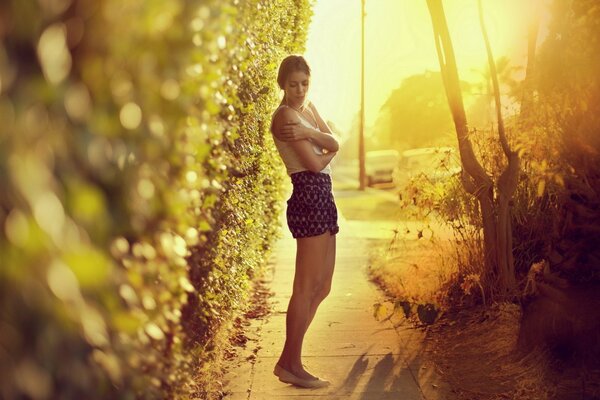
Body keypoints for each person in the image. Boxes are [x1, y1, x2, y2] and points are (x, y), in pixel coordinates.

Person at [269, 55, 340, 389]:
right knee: (304, 287)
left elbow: (334, 141)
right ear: (282, 84)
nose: (299, 90)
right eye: (293, 84)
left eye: (304, 84)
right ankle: (292, 364)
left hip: (324, 196)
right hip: (308, 197)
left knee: (322, 286)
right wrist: (325, 149)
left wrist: (316, 135)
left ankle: (288, 360)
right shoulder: (285, 116)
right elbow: (314, 164)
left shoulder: (307, 111)